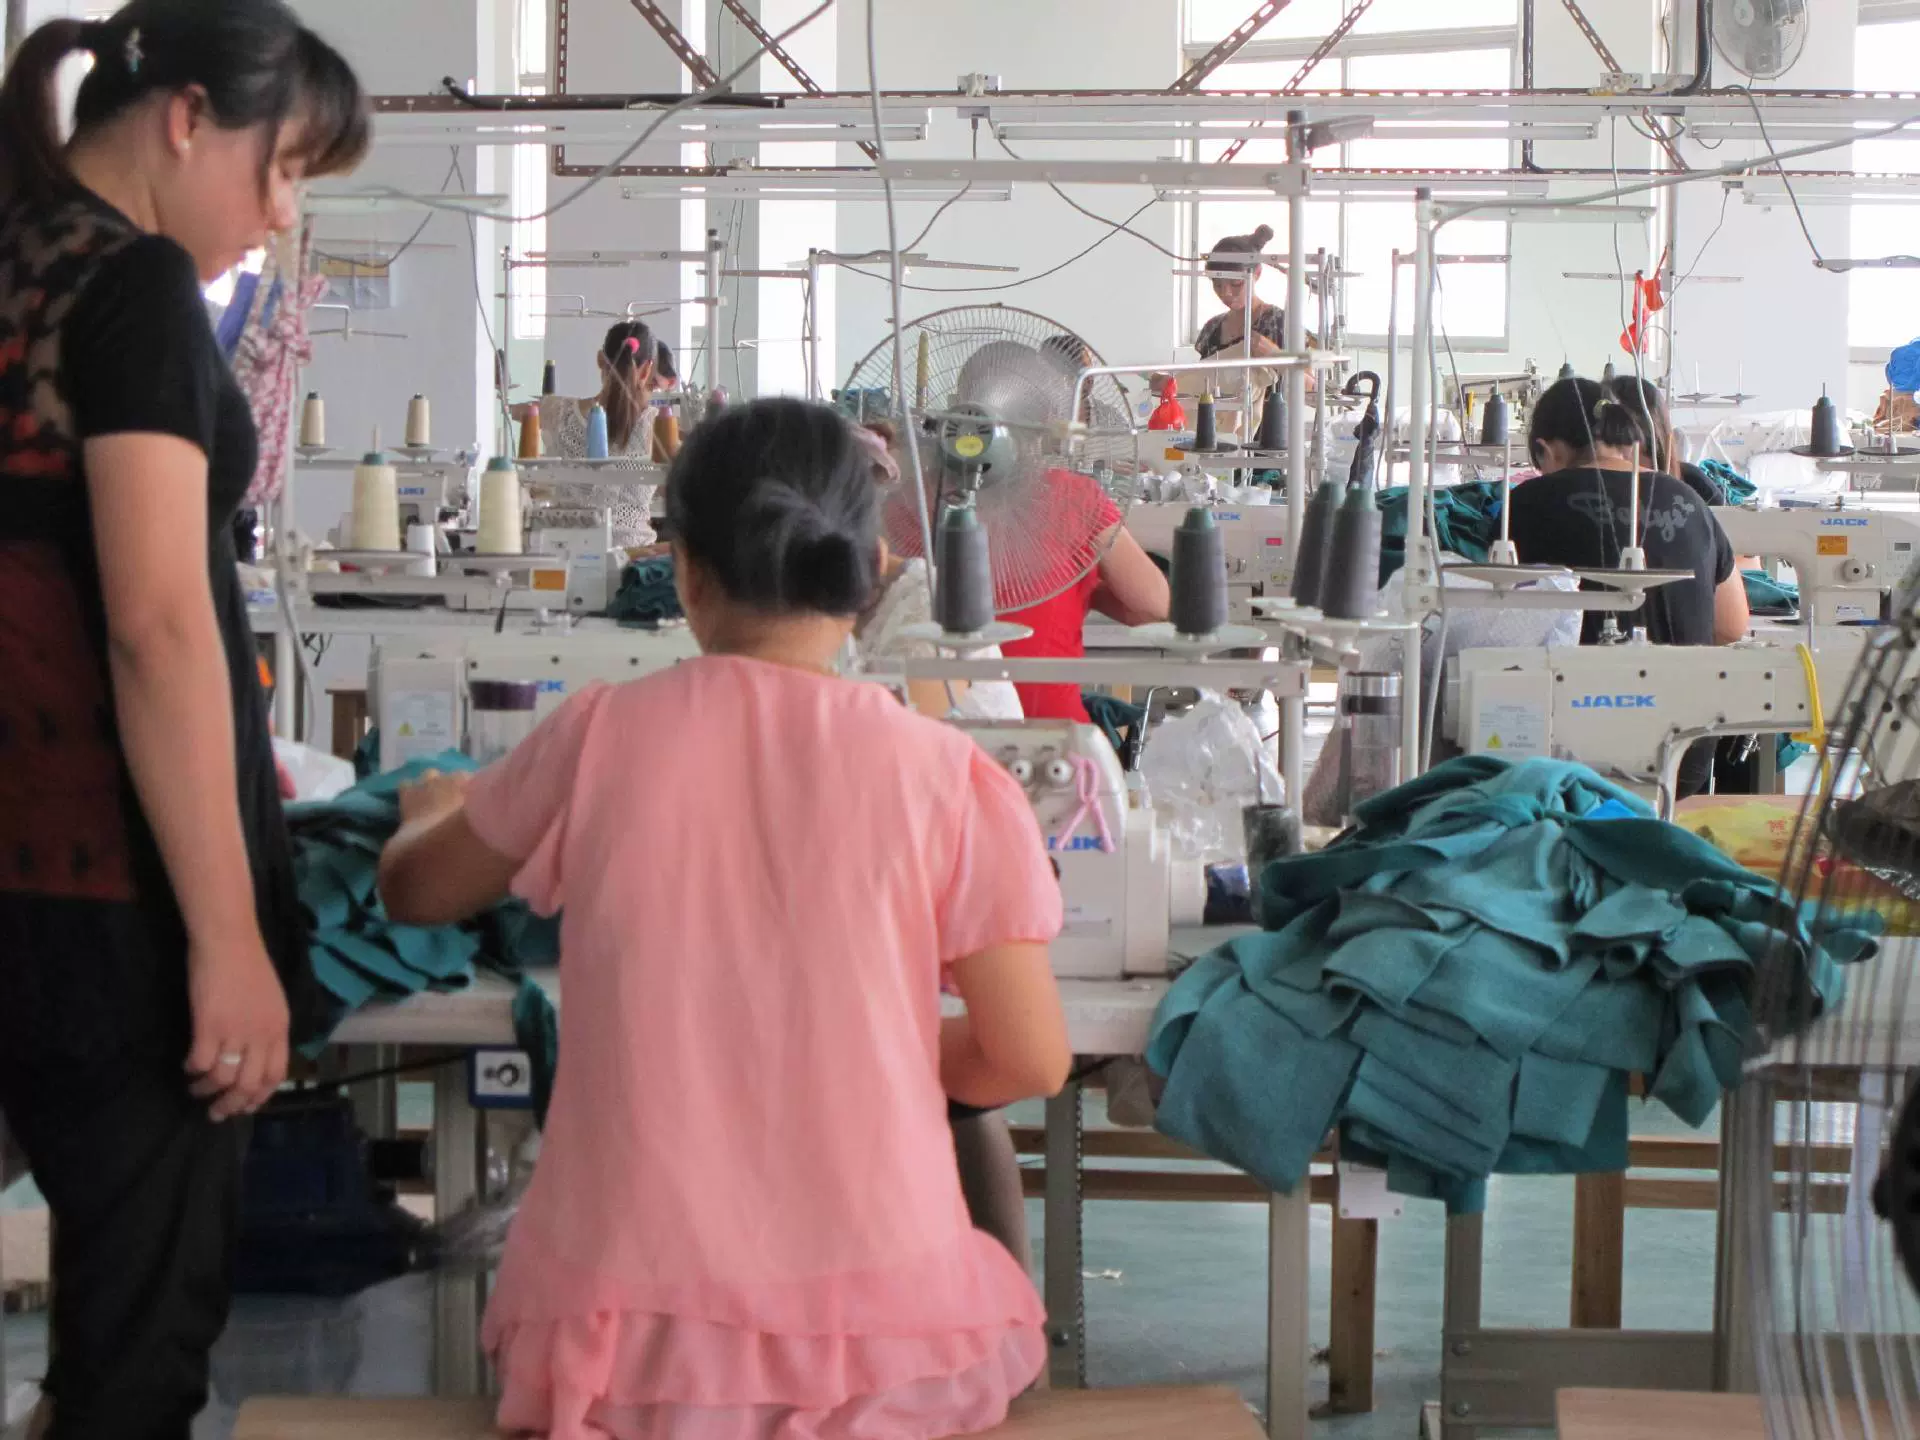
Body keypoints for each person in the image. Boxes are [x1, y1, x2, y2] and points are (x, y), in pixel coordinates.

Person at [378, 396, 1070, 1439]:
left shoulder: (595, 735)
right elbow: (1030, 1058)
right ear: (874, 572)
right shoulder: (947, 775)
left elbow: (414, 892)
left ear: (685, 572)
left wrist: (429, 811)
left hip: (625, 1361)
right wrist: (863, 1053)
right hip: (884, 1360)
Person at [0, 4, 368, 1435]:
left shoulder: (19, 254)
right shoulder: (132, 286)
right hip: (105, 903)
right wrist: (227, 939)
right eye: (282, 171)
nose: (278, 217)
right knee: (133, 1359)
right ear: (186, 119)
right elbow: (156, 625)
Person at [1506, 376, 1750, 798]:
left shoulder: (1524, 504)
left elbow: (1497, 624)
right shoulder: (1690, 499)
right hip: (1681, 758)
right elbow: (1731, 626)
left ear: (1547, 450)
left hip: (1564, 759)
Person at [516, 319, 661, 549]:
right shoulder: (657, 425)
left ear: (600, 360)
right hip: (632, 553)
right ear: (647, 370)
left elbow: (521, 411)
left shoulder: (558, 411)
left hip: (567, 552)